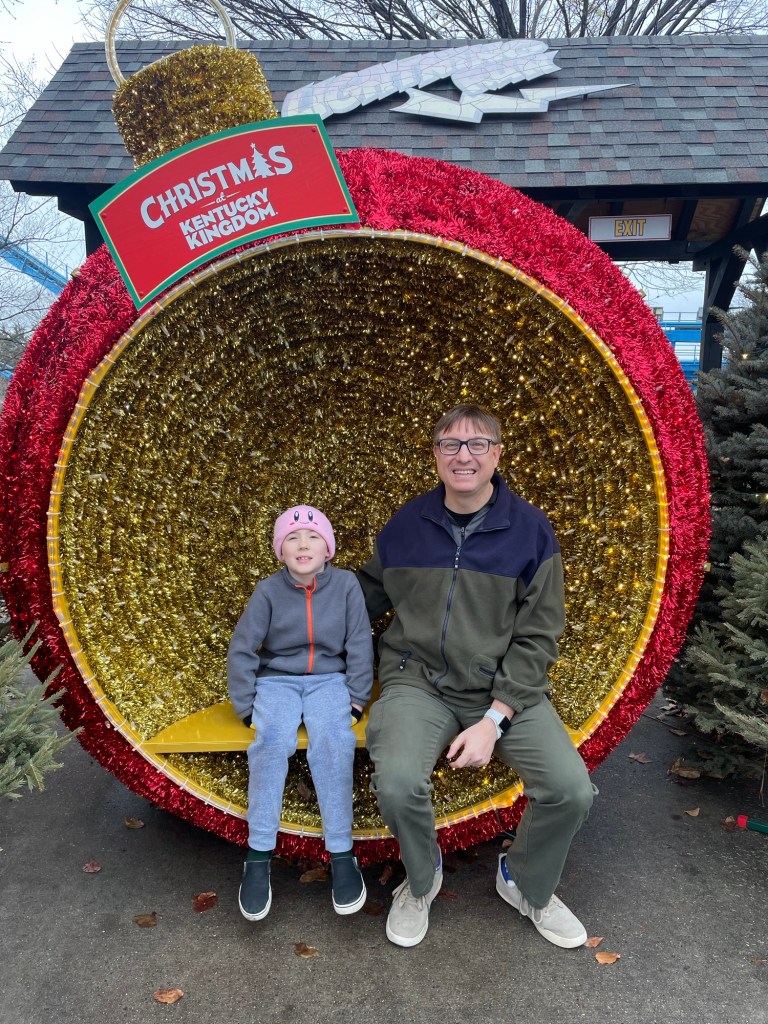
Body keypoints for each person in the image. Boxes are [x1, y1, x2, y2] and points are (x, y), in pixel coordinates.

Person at [358, 404, 595, 949]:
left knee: (570, 790)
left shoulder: (532, 532)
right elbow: (365, 595)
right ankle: (421, 880)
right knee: (396, 782)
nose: (463, 455)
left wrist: (496, 717)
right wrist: (298, 608)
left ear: (497, 454)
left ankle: (525, 883)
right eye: (450, 444)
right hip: (417, 682)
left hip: (504, 690)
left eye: (477, 444)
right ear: (436, 454)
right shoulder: (407, 525)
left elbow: (539, 638)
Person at [228, 504, 373, 922]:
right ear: (280, 551)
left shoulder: (346, 586)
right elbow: (242, 647)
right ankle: (258, 856)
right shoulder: (268, 591)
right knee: (272, 742)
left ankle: (342, 852)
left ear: (327, 549)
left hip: (331, 681)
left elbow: (360, 644)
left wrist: (357, 698)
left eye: (312, 537)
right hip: (277, 682)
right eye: (292, 538)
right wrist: (244, 706)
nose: (303, 544)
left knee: (333, 741)